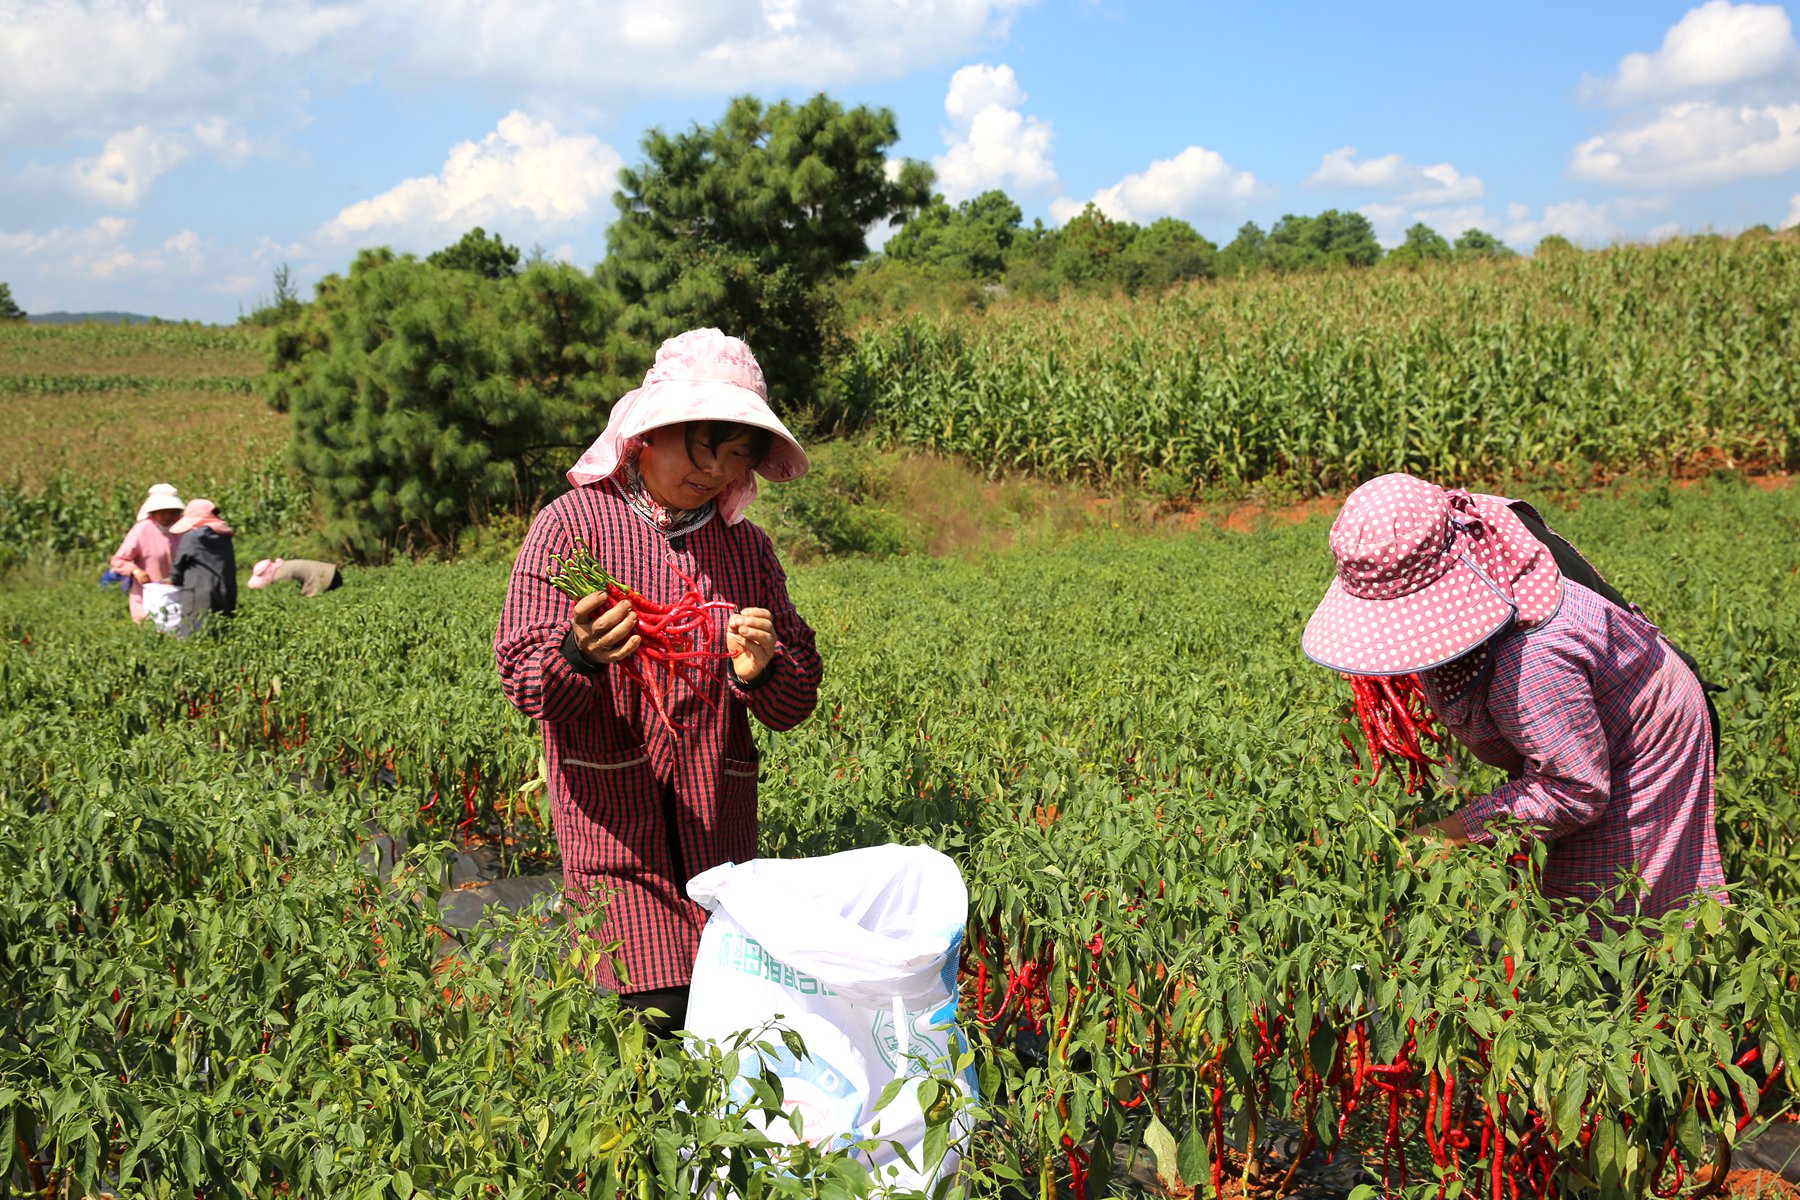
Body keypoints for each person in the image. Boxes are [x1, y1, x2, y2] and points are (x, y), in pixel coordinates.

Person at [494, 327, 823, 1033]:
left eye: (737, 455)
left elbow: (797, 699)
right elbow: (524, 677)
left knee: (724, 1015)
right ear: (647, 434)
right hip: (614, 825)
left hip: (718, 826)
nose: (717, 469)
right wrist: (579, 654)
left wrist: (763, 671)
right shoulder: (575, 528)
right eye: (704, 446)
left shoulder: (746, 551)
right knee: (651, 1011)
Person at [1301, 472, 1726, 921]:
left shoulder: (1533, 658)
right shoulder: (1467, 527)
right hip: (1589, 727)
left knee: (1609, 919)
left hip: (1644, 744)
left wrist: (1450, 834)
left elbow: (1574, 791)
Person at [110, 483, 184, 623]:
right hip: (146, 595)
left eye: (172, 511)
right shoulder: (142, 530)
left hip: (177, 594)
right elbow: (119, 560)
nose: (168, 516)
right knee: (150, 631)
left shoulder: (182, 529)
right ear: (153, 512)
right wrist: (135, 571)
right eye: (163, 511)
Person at [168, 499, 238, 638]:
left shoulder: (192, 537)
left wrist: (174, 580)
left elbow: (179, 564)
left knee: (193, 635)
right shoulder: (225, 536)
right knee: (221, 636)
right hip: (226, 591)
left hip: (198, 594)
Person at [248, 557, 343, 597]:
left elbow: (292, 594)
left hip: (329, 579)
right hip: (332, 571)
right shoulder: (280, 566)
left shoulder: (279, 576)